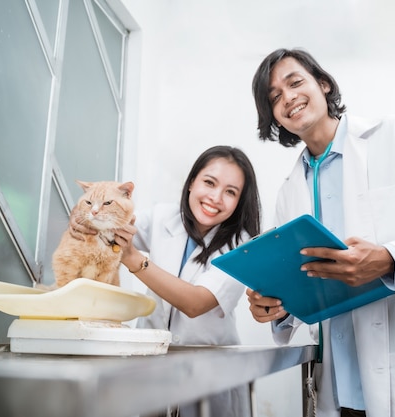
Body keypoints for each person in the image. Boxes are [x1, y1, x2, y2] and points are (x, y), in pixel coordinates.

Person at [245, 48, 395, 417]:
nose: (287, 98)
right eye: (274, 97)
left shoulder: (392, 136)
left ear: (322, 84)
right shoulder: (289, 190)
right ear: (274, 117)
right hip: (339, 391)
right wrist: (275, 307)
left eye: (295, 83)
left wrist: (389, 259)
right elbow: (307, 287)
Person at [71, 145, 261, 417]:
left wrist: (134, 259)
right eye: (209, 182)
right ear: (191, 183)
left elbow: (195, 303)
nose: (215, 197)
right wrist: (85, 222)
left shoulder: (241, 245)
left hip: (209, 376)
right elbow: (117, 228)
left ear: (239, 202)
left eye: (230, 192)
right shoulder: (164, 217)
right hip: (152, 368)